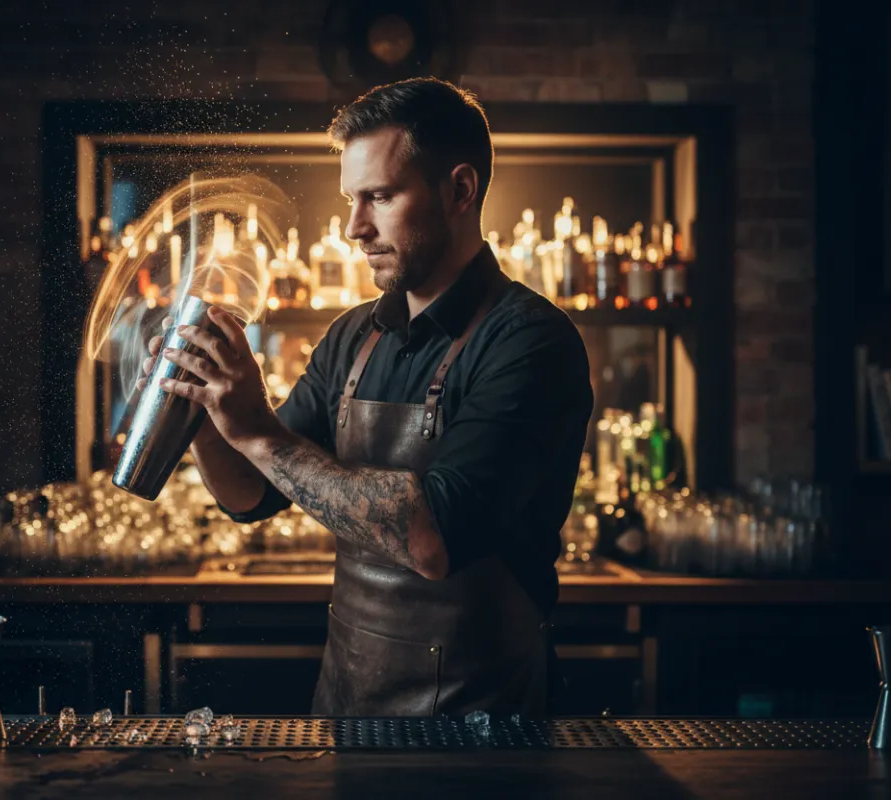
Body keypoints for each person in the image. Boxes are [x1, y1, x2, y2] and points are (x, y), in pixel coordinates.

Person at [140, 77, 593, 716]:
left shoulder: (529, 341)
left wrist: (258, 431)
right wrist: (205, 409)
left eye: (379, 197)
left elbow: (433, 540)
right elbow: (251, 494)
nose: (355, 227)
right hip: (349, 705)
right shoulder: (354, 336)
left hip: (485, 726)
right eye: (352, 200)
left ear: (460, 190)